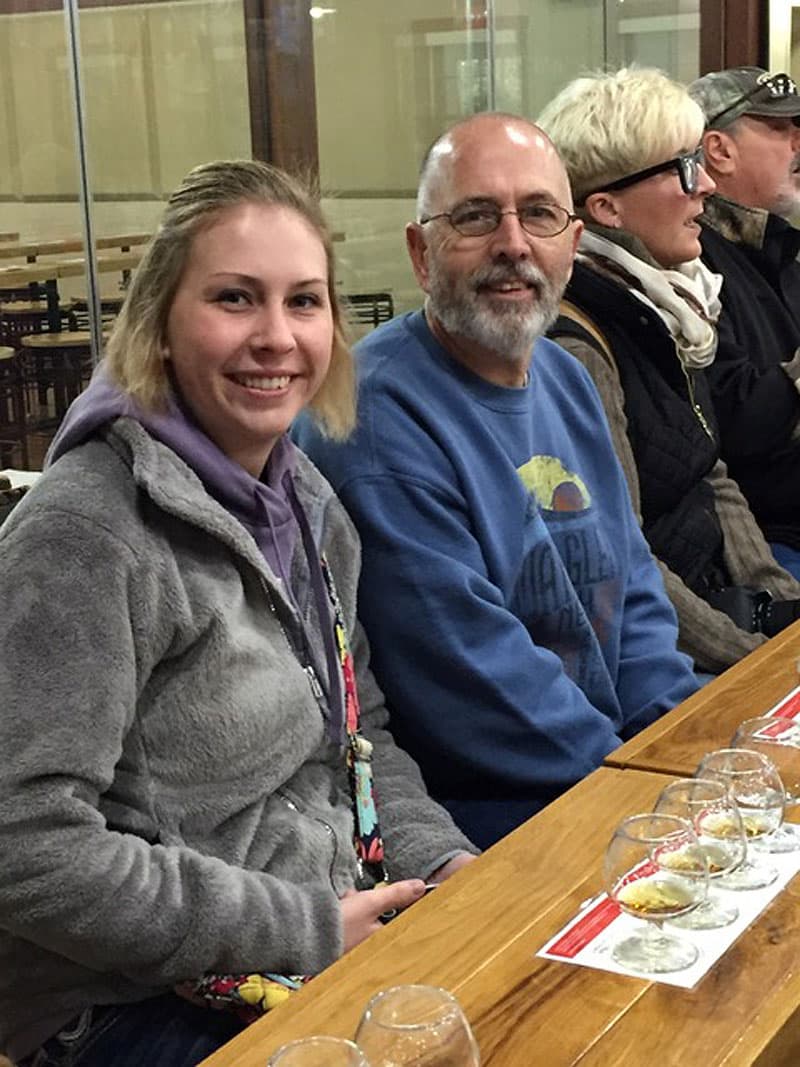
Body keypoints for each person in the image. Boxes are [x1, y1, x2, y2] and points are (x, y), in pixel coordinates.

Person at [0, 160, 477, 1067]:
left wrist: (449, 867)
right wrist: (302, 925)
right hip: (122, 1001)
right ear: (160, 325)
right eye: (234, 298)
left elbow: (356, 738)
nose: (277, 337)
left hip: (324, 920)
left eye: (304, 302)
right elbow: (23, 846)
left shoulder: (306, 500)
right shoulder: (84, 532)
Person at [293, 112, 699, 852]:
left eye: (539, 214)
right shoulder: (375, 417)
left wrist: (681, 749)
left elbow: (634, 588)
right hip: (502, 818)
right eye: (476, 216)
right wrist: (648, 792)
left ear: (573, 244)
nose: (513, 243)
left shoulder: (567, 378)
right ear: (421, 253)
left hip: (618, 777)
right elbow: (476, 686)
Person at [538, 67, 800, 677]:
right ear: (605, 208)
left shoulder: (671, 308)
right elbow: (617, 556)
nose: (705, 186)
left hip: (726, 606)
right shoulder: (581, 344)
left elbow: (712, 475)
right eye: (684, 169)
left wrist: (781, 607)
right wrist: (756, 660)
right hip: (665, 653)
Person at [688, 67, 800, 576]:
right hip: (761, 543)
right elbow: (731, 430)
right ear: (719, 150)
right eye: (778, 128)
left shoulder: (781, 250)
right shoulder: (692, 263)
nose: (797, 142)